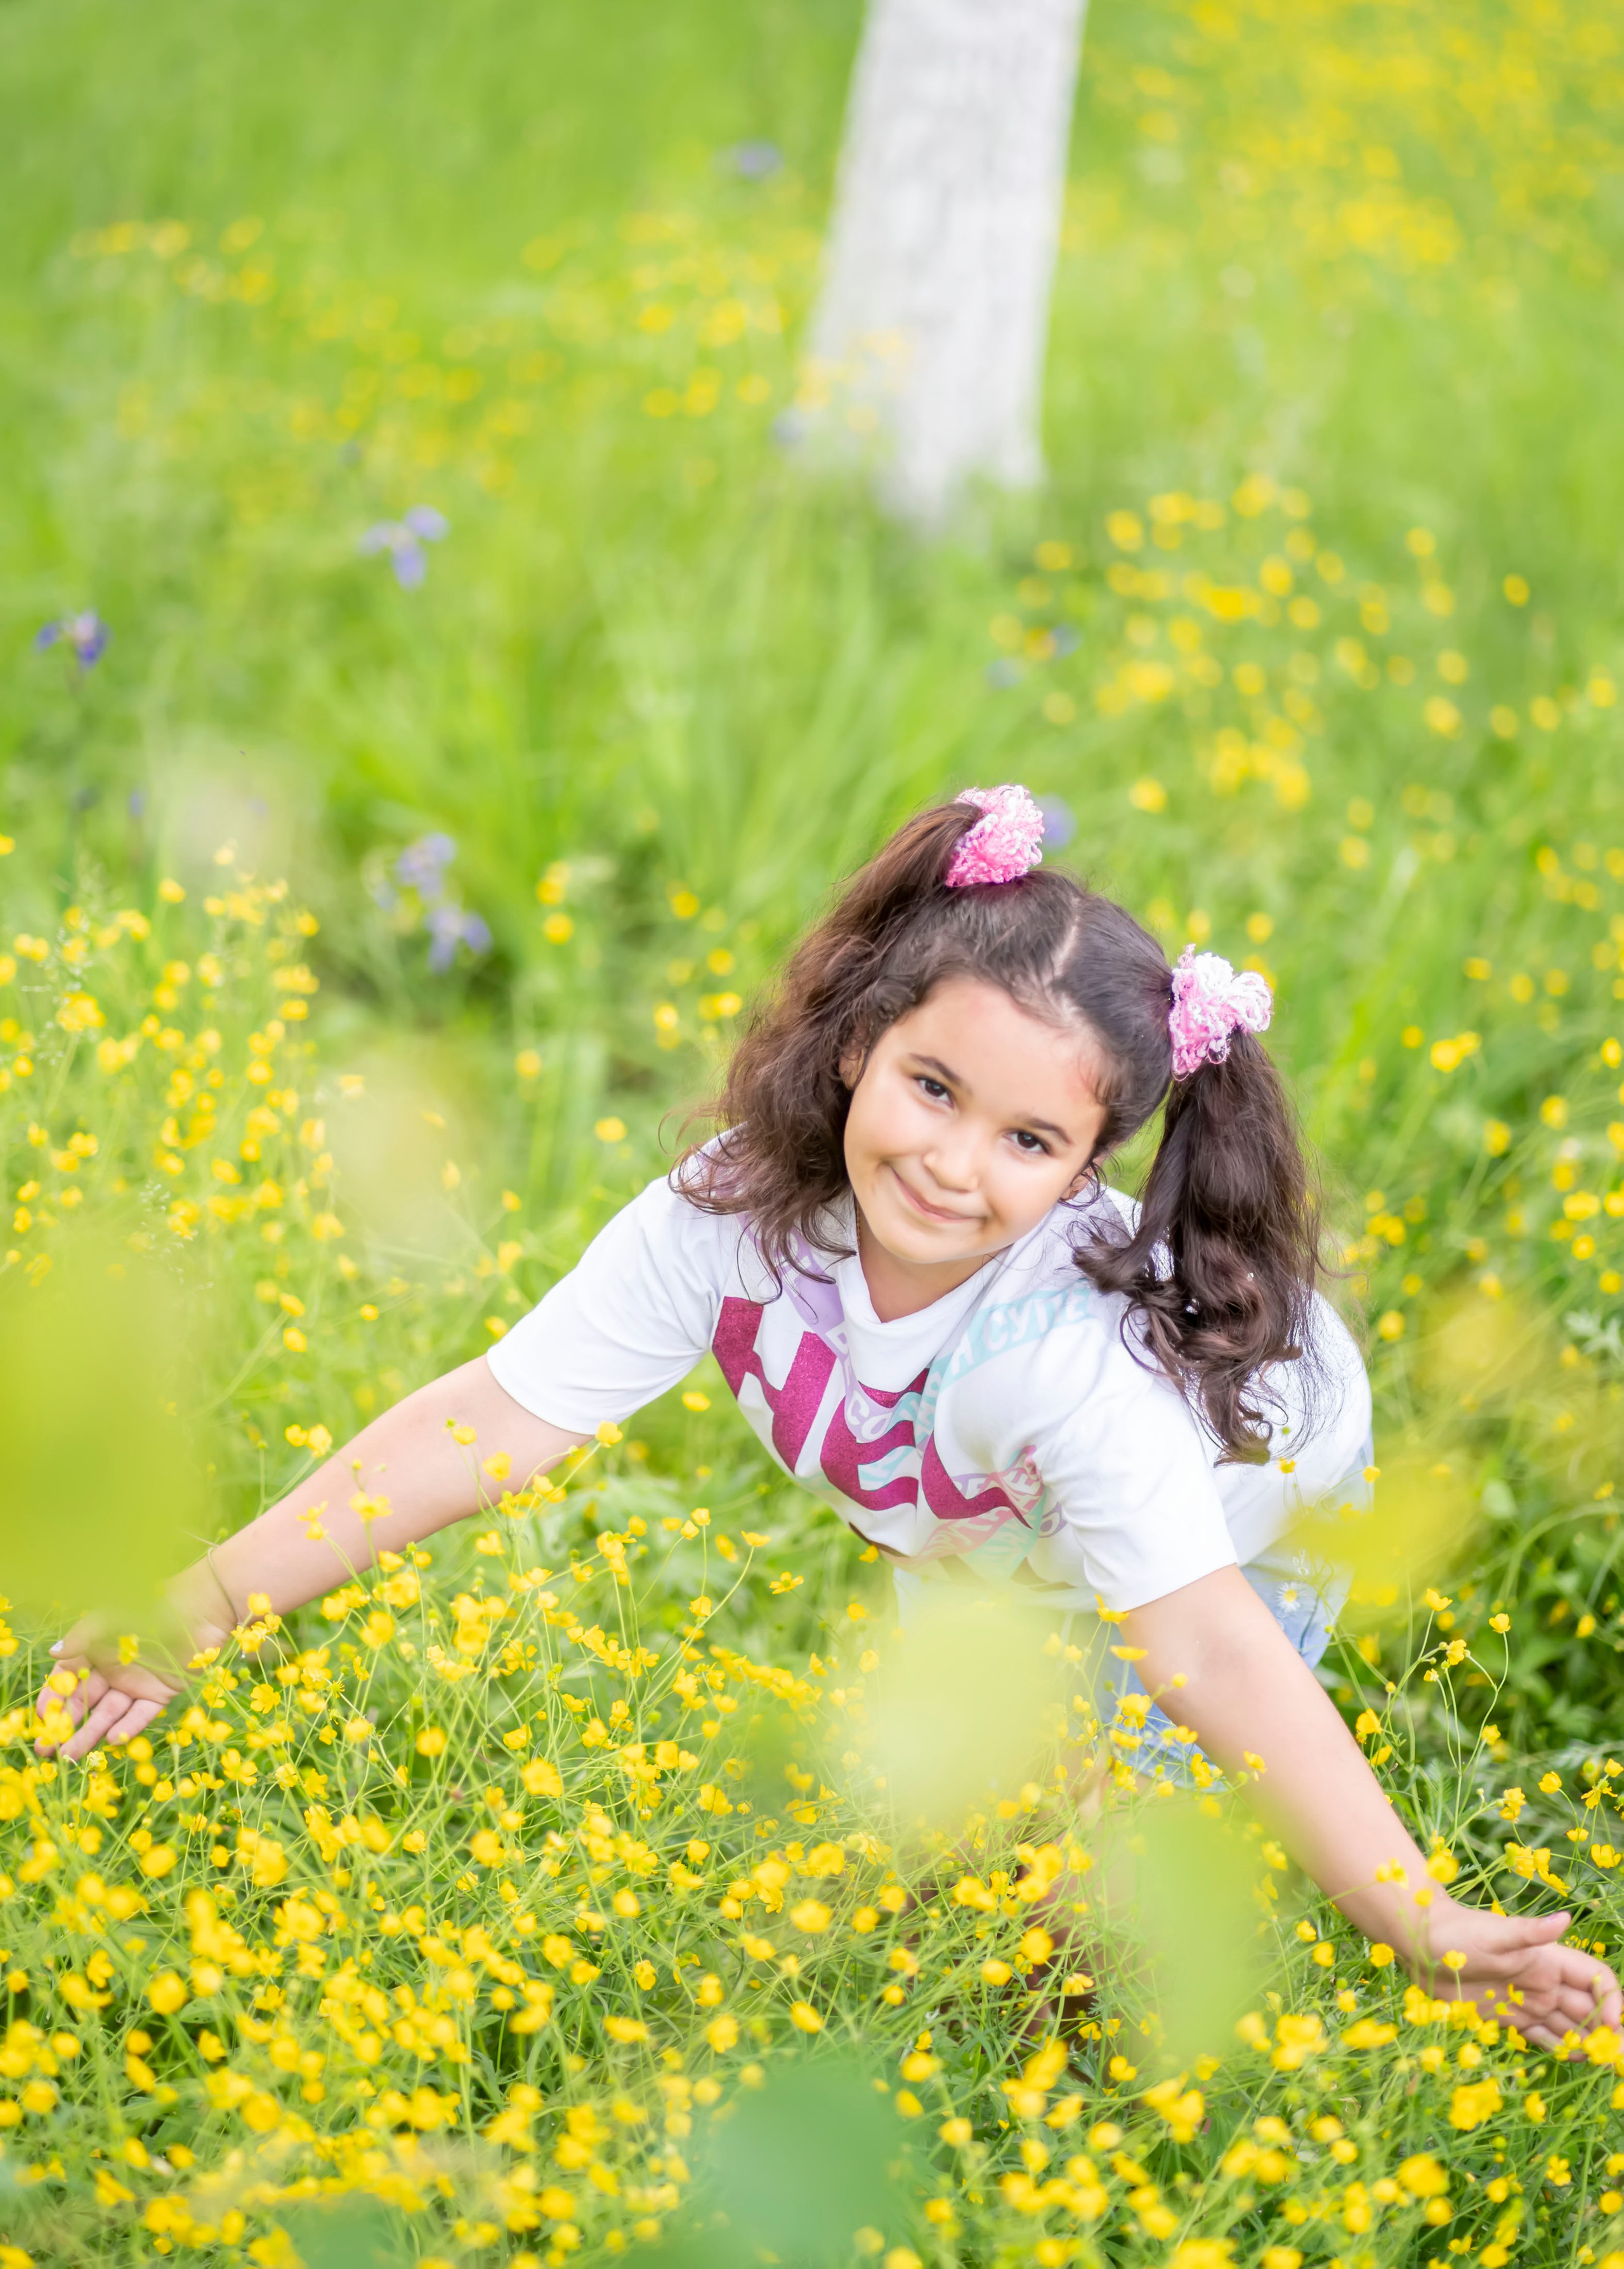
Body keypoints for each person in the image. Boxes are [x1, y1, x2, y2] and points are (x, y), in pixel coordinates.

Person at [37, 785, 1619, 2046]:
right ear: (860, 1041)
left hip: (1246, 1492)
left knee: (1089, 1865)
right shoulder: (724, 1218)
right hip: (990, 1480)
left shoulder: (1079, 1374)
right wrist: (209, 1597)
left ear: (1087, 1173)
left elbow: (1209, 1648)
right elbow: (486, 1425)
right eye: (931, 1089)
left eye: (1023, 1140)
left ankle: (1041, 2050)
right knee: (960, 1720)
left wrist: (1412, 1913)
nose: (950, 1164)